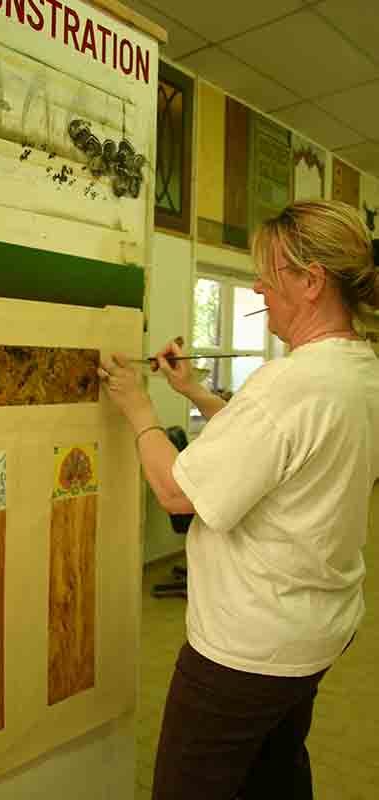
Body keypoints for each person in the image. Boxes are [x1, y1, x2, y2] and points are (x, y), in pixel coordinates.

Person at [97, 200, 379, 800]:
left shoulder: (291, 383)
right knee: (274, 771)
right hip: (319, 628)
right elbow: (276, 450)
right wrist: (194, 390)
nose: (257, 286)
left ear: (310, 281)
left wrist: (139, 409)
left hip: (250, 648)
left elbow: (177, 493)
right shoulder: (359, 371)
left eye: (268, 275)